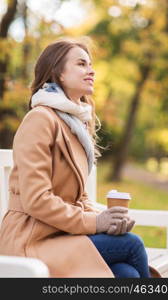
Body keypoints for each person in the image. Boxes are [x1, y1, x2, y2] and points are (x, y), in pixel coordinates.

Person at [0, 37, 151, 278]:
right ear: (58, 73)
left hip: (63, 233)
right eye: (81, 64)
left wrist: (109, 220)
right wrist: (95, 223)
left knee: (127, 274)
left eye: (90, 64)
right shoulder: (40, 119)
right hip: (31, 239)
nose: (91, 70)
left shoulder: (75, 124)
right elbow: (36, 199)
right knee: (131, 244)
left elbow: (78, 197)